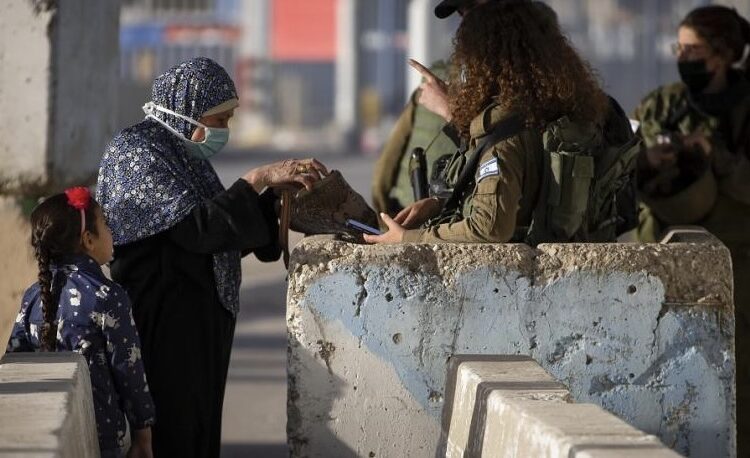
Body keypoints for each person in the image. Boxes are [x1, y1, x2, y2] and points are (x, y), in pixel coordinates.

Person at [96, 57, 327, 457]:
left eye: (229, 119)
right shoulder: (137, 151)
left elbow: (220, 226)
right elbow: (197, 229)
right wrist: (256, 179)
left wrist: (274, 199)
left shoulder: (183, 156)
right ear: (183, 110)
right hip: (163, 324)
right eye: (219, 120)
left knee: (199, 429)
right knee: (175, 431)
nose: (225, 130)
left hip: (197, 328)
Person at [366, 1, 631, 245]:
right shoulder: (570, 105)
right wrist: (438, 204)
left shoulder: (503, 128)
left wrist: (409, 238)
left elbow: (490, 226)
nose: (464, 20)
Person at [632, 5, 750, 452]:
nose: (682, 57)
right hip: (663, 259)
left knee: (734, 388)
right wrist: (651, 158)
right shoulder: (662, 104)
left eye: (692, 49)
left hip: (735, 268)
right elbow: (625, 164)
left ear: (720, 56)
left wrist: (713, 155)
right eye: (677, 47)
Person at [7, 187, 154, 458]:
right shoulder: (108, 296)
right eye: (106, 225)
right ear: (88, 239)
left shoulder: (32, 295)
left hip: (42, 426)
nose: (112, 233)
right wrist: (143, 433)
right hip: (103, 434)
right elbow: (128, 370)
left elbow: (15, 357)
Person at [371, 0, 484, 216]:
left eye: (474, 11)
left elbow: (382, 179)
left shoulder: (526, 90)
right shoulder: (433, 84)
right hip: (425, 221)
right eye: (462, 13)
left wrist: (387, 220)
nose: (466, 23)